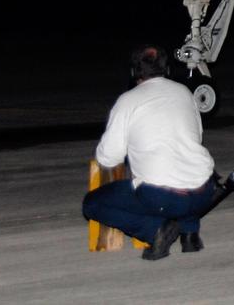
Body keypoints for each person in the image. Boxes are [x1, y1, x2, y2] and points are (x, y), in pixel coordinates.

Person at [82, 45, 218, 260]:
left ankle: (155, 230)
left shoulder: (128, 101)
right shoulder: (184, 92)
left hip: (165, 198)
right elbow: (197, 136)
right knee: (186, 169)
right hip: (204, 192)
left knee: (92, 204)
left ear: (135, 72)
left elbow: (109, 157)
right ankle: (190, 234)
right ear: (167, 69)